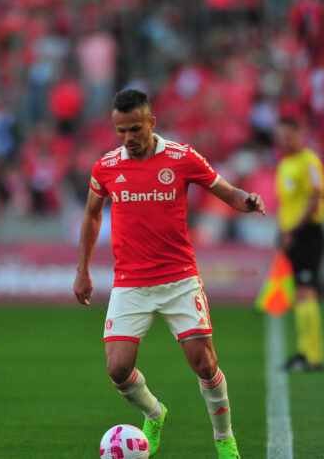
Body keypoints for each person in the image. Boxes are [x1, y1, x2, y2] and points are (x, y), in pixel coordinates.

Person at [73, 89, 265, 459]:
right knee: (117, 369)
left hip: (179, 279)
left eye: (134, 129)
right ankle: (155, 413)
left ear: (151, 123)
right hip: (130, 282)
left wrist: (247, 201)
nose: (128, 138)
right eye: (121, 131)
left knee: (204, 363)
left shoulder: (182, 157)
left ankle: (224, 439)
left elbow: (226, 190)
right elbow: (92, 214)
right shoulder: (107, 166)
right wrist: (82, 269)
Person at [273, 117, 324, 372]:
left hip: (307, 233)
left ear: (299, 134)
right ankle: (306, 352)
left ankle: (314, 356)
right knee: (300, 293)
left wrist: (293, 229)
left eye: (288, 136)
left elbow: (314, 200)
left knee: (307, 291)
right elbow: (287, 203)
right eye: (281, 137)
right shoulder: (284, 163)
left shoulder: (310, 161)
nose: (284, 141)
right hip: (292, 235)